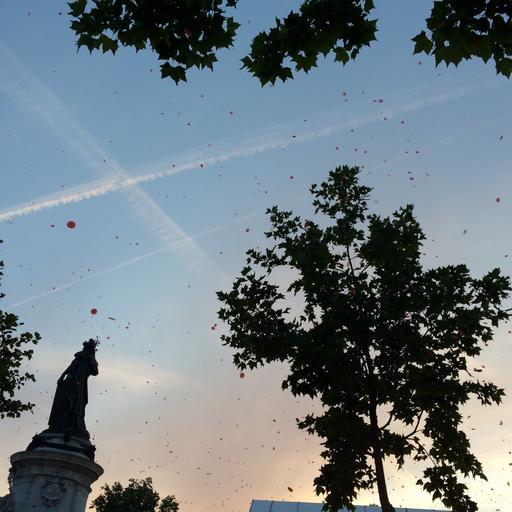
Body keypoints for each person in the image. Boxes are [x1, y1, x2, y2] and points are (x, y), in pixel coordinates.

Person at [47, 338, 99, 440]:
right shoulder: (79, 356)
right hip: (70, 381)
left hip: (79, 385)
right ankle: (61, 422)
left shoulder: (90, 360)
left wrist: (90, 357)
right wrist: (62, 376)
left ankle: (73, 423)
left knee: (75, 403)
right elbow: (71, 367)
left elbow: (95, 372)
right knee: (64, 401)